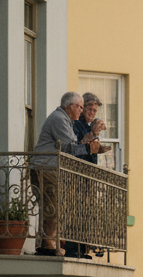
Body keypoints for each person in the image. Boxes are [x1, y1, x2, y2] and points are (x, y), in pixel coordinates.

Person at [32, 92, 101, 255]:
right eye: (80, 107)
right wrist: (88, 148)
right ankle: (48, 242)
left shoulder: (66, 120)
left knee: (55, 204)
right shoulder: (59, 119)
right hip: (45, 167)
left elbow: (72, 145)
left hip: (50, 168)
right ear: (71, 106)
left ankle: (52, 240)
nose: (81, 110)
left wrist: (87, 145)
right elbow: (69, 148)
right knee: (51, 204)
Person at [71, 91, 110, 166]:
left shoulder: (87, 127)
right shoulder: (76, 124)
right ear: (83, 108)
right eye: (90, 109)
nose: (92, 113)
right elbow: (75, 150)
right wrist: (93, 135)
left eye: (94, 110)